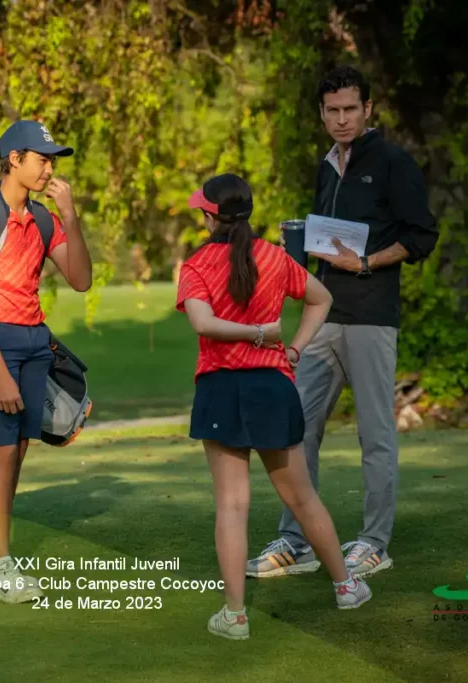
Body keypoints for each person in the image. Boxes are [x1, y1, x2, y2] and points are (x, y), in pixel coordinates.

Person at [248, 65, 439, 581]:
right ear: (322, 113)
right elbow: (328, 238)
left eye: (350, 109)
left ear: (367, 109)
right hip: (324, 316)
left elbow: (422, 236)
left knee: (375, 435)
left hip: (372, 316)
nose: (341, 119)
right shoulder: (326, 167)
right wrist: (298, 248)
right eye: (332, 110)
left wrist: (367, 261)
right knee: (296, 429)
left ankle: (374, 543)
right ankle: (297, 541)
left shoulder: (394, 162)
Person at [177, 173, 372, 641]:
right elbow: (321, 299)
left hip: (221, 388)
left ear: (211, 217)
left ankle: (235, 617)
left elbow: (203, 322)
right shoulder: (273, 256)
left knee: (232, 505)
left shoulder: (197, 264)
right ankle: (346, 587)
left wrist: (262, 336)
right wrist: (286, 343)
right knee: (302, 498)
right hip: (272, 387)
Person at [0, 120, 93, 603]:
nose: (49, 168)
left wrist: (70, 217)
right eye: (41, 159)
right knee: (0, 452)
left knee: (16, 450)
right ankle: (1, 568)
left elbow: (80, 279)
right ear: (13, 160)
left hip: (37, 342)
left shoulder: (41, 218)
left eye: (52, 160)